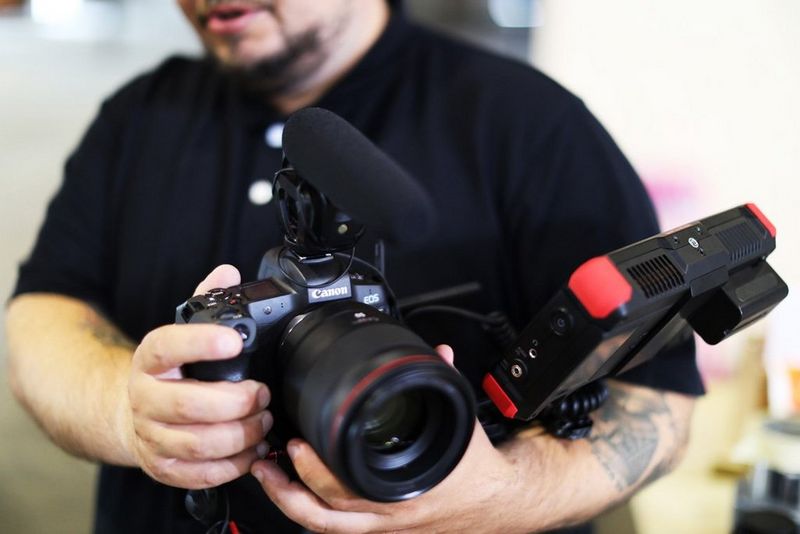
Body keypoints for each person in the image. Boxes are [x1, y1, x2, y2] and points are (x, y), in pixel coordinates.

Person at [6, 0, 703, 532]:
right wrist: (132, 413)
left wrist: (501, 496)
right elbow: (44, 314)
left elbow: (659, 401)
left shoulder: (531, 125)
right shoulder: (138, 118)